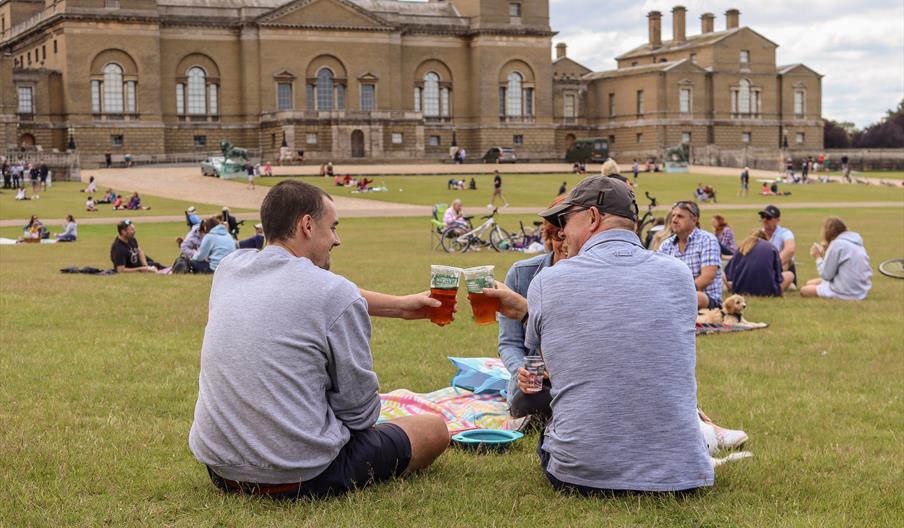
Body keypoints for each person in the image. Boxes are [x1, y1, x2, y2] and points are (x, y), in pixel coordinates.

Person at [189, 180, 449, 499]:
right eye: (333, 227)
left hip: (220, 469)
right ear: (307, 225)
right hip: (300, 474)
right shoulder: (332, 292)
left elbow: (310, 289)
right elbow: (360, 416)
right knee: (433, 429)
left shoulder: (230, 268)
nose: (336, 240)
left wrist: (399, 306)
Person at [484, 176, 713, 494]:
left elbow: (540, 366)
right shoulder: (678, 275)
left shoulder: (548, 281)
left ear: (592, 217)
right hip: (682, 475)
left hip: (581, 475)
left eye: (566, 220)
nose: (562, 232)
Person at [658, 201, 723, 309]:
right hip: (674, 296)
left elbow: (708, 277)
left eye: (680, 216)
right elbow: (659, 277)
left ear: (694, 220)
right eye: (673, 215)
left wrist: (680, 293)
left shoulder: (707, 240)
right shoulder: (666, 245)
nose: (674, 220)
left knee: (696, 298)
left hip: (706, 299)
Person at [800, 217, 872, 300]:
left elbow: (826, 275)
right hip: (861, 291)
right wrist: (828, 249)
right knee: (810, 283)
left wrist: (818, 257)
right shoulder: (856, 242)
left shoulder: (836, 245)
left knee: (804, 290)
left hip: (845, 292)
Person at [724, 229, 793, 296]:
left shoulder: (742, 247)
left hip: (740, 289)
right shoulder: (771, 247)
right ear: (766, 238)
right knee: (790, 275)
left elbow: (729, 274)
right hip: (767, 290)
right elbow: (779, 277)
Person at [759, 205, 796, 288]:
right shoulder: (758, 234)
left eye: (768, 217)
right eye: (763, 216)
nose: (765, 220)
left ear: (777, 220)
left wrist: (771, 265)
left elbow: (790, 250)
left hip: (781, 270)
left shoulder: (785, 233)